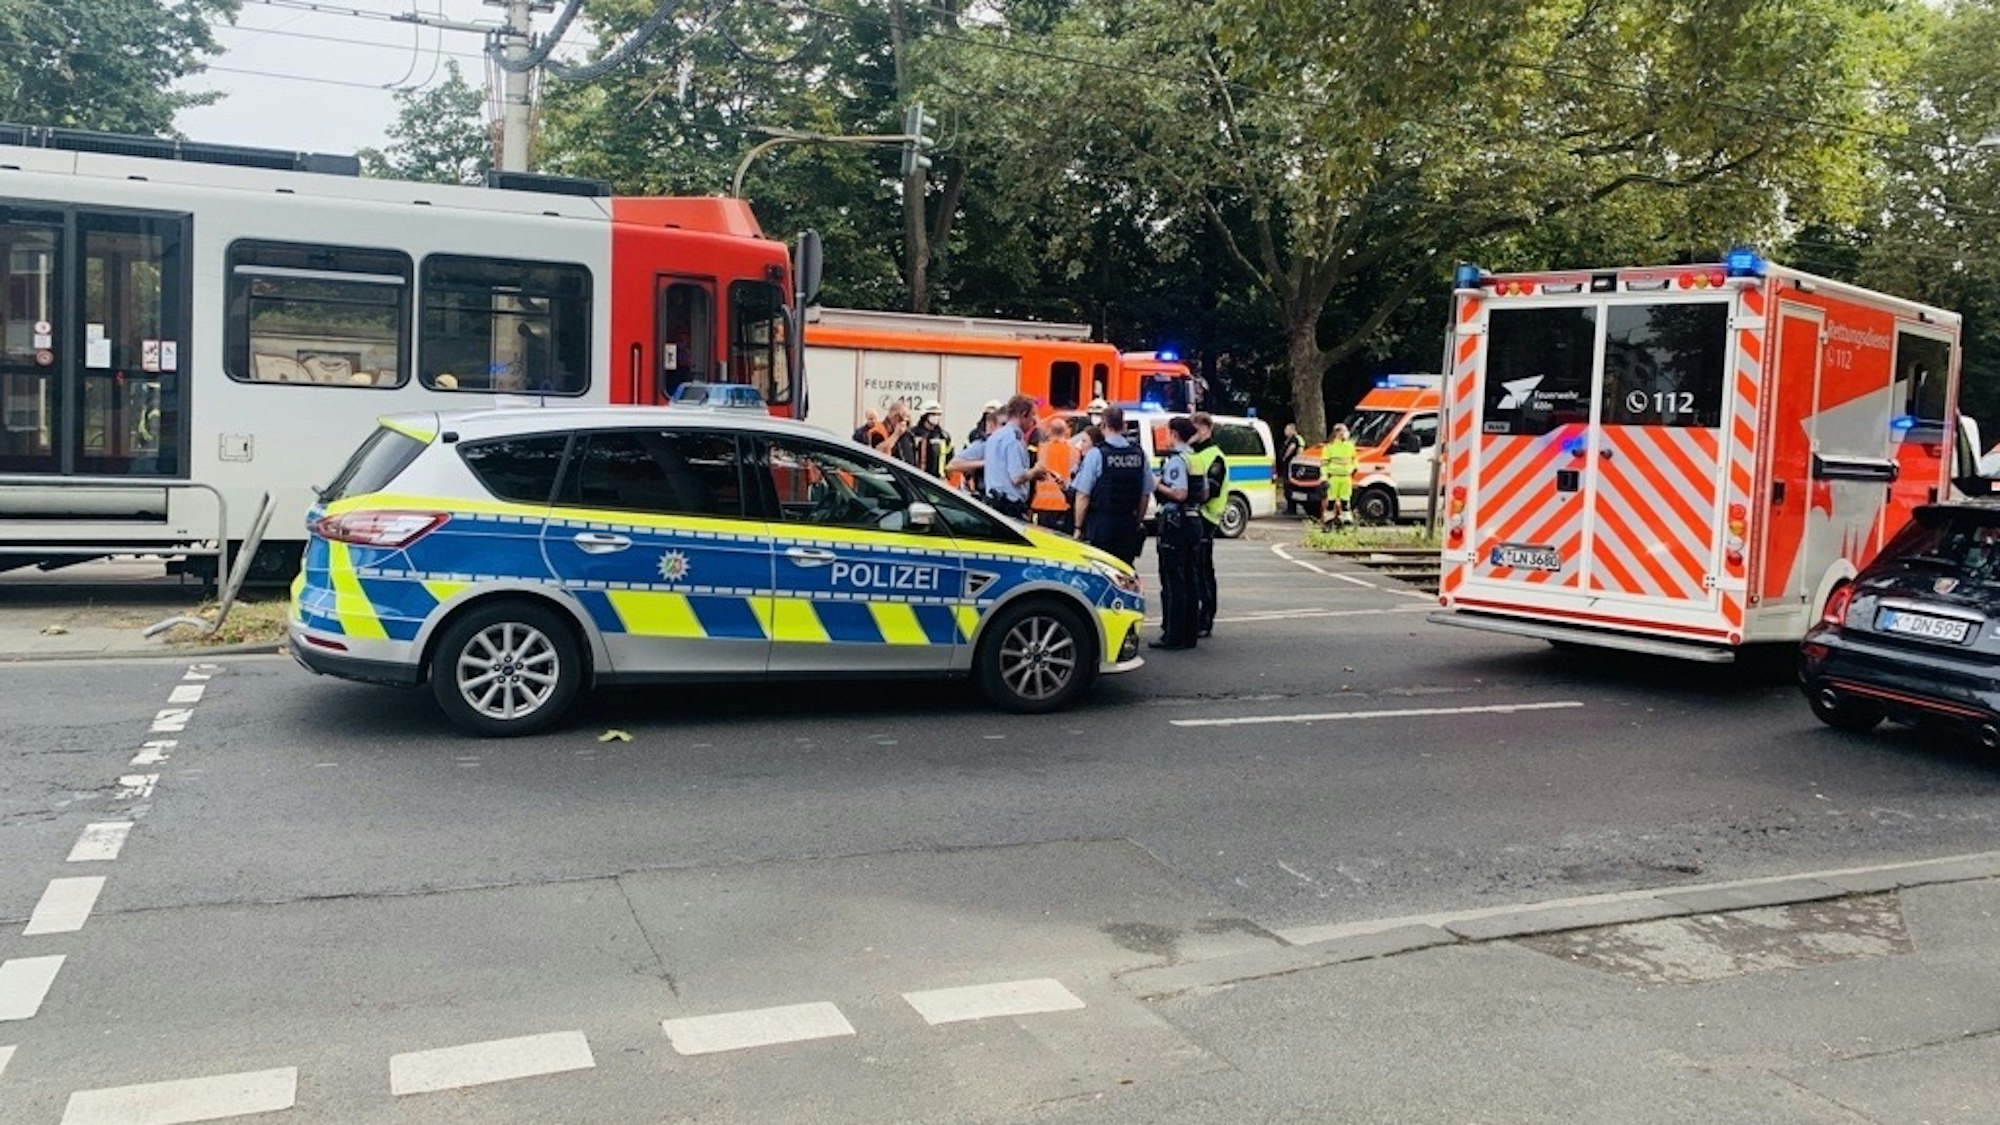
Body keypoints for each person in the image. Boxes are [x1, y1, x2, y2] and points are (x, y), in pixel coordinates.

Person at [1071, 404, 1152, 566]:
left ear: (1103, 425)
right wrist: (1137, 521)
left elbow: (1083, 495)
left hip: (1102, 524)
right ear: (1124, 426)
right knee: (1125, 572)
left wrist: (1078, 527)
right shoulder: (1139, 454)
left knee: (1102, 571)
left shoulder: (1097, 454)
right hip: (1128, 522)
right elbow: (1145, 494)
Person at [946, 394, 1043, 518]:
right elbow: (1017, 477)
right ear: (1023, 414)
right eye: (1032, 415)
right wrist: (1035, 472)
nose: (1033, 421)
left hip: (992, 503)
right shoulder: (1014, 439)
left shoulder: (995, 438)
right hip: (1010, 507)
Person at [1150, 416, 1201, 650]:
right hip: (1193, 521)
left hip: (1175, 523)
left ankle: (1173, 635)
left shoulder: (1177, 461)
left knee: (1173, 580)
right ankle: (1190, 633)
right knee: (1190, 578)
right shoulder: (1195, 458)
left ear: (1175, 434)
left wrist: (1156, 485)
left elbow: (1179, 493)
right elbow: (1203, 493)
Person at [1186, 412, 1229, 637]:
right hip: (1194, 516)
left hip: (1206, 518)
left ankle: (1206, 619)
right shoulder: (1195, 453)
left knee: (1203, 570)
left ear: (1204, 430)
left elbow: (1212, 490)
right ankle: (1196, 618)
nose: (1190, 435)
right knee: (1194, 570)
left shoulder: (1215, 457)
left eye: (1193, 430)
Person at [1029, 415, 1077, 532]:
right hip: (1065, 505)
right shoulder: (1074, 451)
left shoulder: (1041, 450)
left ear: (1049, 430)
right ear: (1066, 431)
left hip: (1042, 505)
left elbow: (1032, 477)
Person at [1321, 421, 1358, 530]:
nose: (1346, 433)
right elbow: (1324, 463)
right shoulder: (1329, 447)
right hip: (1334, 477)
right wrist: (1324, 477)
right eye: (1344, 431)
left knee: (1345, 501)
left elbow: (1354, 459)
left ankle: (1345, 522)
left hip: (1346, 478)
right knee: (1331, 502)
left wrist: (1353, 468)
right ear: (1337, 433)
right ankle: (1328, 521)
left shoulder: (1350, 446)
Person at [908, 401, 952, 477]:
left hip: (938, 480)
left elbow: (950, 459)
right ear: (925, 415)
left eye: (938, 415)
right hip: (916, 478)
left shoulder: (944, 436)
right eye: (933, 414)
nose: (936, 417)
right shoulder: (912, 434)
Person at [1279, 422, 1303, 487]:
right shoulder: (1289, 439)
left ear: (1292, 430)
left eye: (1287, 430)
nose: (1285, 431)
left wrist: (1285, 456)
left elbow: (1293, 447)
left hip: (1291, 462)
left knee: (1289, 476)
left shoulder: (1295, 438)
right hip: (1288, 462)